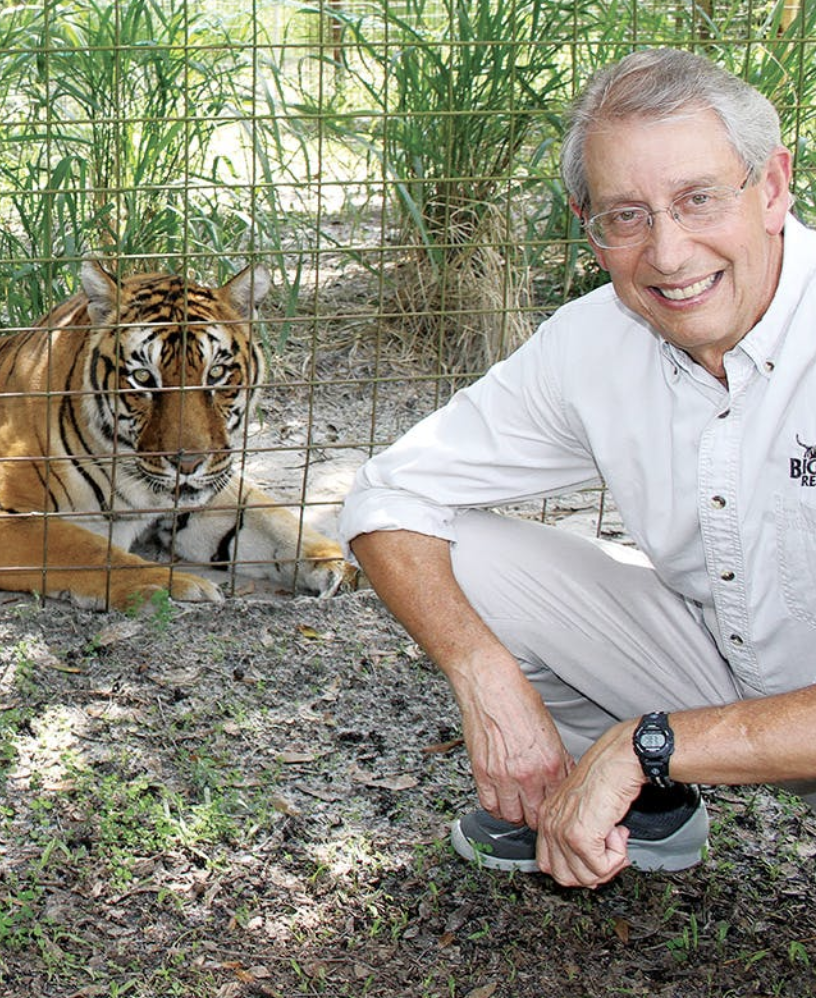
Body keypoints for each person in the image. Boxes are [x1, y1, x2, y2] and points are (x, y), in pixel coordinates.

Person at [338, 47, 816, 889]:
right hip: (723, 671)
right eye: (627, 216)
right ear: (585, 223)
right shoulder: (596, 338)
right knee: (464, 554)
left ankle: (639, 771)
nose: (668, 255)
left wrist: (646, 742)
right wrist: (482, 674)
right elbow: (388, 493)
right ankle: (644, 810)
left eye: (698, 199)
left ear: (773, 188)